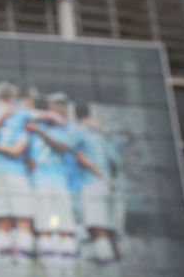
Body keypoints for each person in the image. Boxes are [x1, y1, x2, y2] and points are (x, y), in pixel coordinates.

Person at [0, 81, 34, 263]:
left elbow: (16, 149)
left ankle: (9, 265)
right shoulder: (13, 114)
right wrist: (4, 116)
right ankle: (16, 266)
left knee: (10, 219)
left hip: (4, 172)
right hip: (8, 173)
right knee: (18, 220)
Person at [25, 92, 78, 275]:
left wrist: (41, 132)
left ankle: (67, 271)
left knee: (65, 227)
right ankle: (51, 271)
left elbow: (62, 147)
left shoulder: (68, 129)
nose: (56, 109)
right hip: (40, 184)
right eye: (53, 105)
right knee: (46, 226)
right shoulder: (34, 126)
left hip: (61, 184)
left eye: (60, 105)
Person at [74, 105, 119, 264]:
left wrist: (104, 176)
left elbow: (80, 157)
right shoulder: (102, 136)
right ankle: (103, 256)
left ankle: (105, 259)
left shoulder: (82, 133)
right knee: (97, 225)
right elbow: (114, 162)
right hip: (103, 185)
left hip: (92, 184)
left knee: (96, 226)